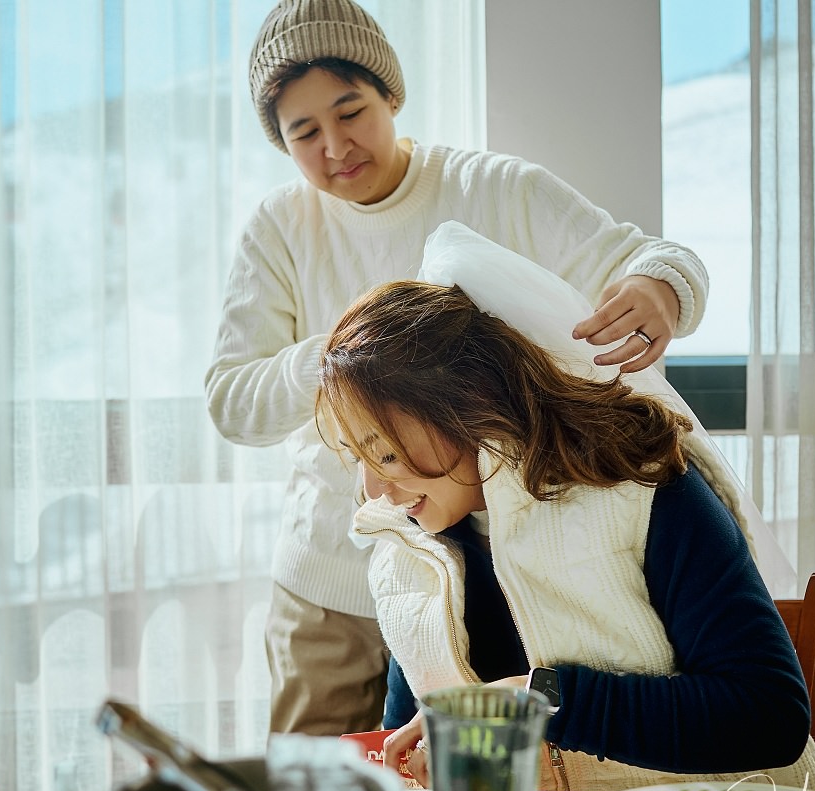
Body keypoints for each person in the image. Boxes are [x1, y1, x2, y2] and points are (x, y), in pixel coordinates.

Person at [205, 0, 712, 736]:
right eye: (303, 132)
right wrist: (346, 363)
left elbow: (655, 258)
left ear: (391, 96)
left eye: (351, 111)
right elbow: (229, 402)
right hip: (332, 581)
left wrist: (661, 288)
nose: (334, 145)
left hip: (483, 568)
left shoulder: (490, 189)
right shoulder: (279, 228)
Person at [315, 225, 815, 791]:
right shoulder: (407, 550)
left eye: (386, 452)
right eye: (356, 455)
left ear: (475, 408)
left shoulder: (641, 488)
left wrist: (538, 699)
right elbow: (407, 747)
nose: (375, 490)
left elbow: (769, 716)